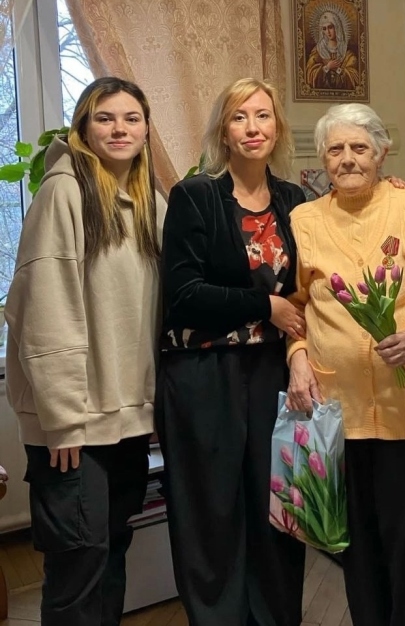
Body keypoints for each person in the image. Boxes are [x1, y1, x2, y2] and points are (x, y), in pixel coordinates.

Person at [4, 77, 166, 626]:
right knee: (78, 564)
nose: (119, 129)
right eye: (105, 118)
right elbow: (44, 312)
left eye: (131, 118)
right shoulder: (64, 192)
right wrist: (64, 421)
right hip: (73, 423)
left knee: (112, 550)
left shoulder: (149, 200)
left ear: (146, 130)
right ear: (83, 128)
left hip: (126, 418)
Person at [286, 103, 405, 626]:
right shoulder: (303, 220)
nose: (348, 158)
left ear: (382, 152)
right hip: (338, 415)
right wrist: (296, 356)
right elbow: (293, 305)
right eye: (335, 149)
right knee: (356, 551)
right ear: (322, 159)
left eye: (359, 147)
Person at [155, 77, 307, 626]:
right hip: (203, 373)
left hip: (272, 374)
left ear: (277, 128)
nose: (252, 128)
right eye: (239, 117)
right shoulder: (195, 195)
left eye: (263, 116)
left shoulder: (295, 200)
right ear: (223, 131)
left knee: (276, 505)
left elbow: (312, 281)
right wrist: (265, 306)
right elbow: (184, 294)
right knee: (211, 511)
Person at [305, 10, 359, 91]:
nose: (328, 32)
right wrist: (327, 67)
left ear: (337, 27)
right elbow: (309, 75)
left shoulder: (348, 54)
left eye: (330, 27)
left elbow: (355, 77)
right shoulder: (318, 51)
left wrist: (338, 70)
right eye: (324, 29)